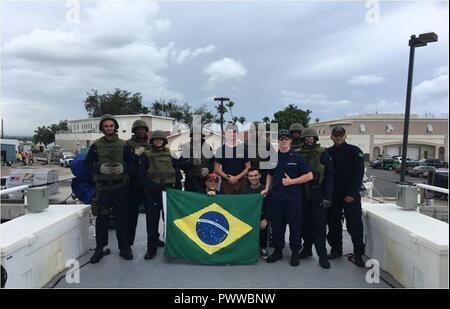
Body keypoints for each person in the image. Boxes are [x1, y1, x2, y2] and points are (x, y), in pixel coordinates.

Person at [84, 114, 134, 263]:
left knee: (121, 219)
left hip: (121, 187)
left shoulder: (124, 145)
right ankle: (99, 249)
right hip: (103, 189)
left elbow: (133, 165)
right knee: (102, 219)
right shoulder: (95, 146)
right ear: (102, 128)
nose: (109, 128)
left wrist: (122, 168)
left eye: (111, 126)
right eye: (106, 126)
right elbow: (87, 165)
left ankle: (124, 248)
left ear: (115, 127)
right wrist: (100, 168)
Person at [261, 129, 313, 266]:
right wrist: (267, 188)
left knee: (295, 227)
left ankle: (295, 253)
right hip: (277, 199)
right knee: (277, 227)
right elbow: (270, 174)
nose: (283, 141)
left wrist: (292, 181)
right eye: (281, 139)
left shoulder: (298, 158)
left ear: (290, 141)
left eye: (286, 139)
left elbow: (309, 176)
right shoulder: (274, 157)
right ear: (277, 141)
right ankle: (278, 251)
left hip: (293, 200)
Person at [326, 126, 365, 267]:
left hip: (351, 196)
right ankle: (336, 250)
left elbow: (358, 174)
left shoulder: (354, 151)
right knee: (333, 224)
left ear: (345, 136)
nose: (338, 137)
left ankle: (358, 254)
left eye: (340, 135)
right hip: (334, 196)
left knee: (354, 225)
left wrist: (351, 193)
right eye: (335, 135)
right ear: (331, 137)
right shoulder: (327, 153)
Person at [297, 127, 333, 269]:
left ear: (315, 139)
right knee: (303, 224)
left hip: (317, 191)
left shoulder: (323, 153)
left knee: (319, 225)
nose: (308, 140)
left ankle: (322, 255)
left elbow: (329, 176)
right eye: (306, 138)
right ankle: (307, 249)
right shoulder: (298, 153)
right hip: (302, 192)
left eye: (311, 138)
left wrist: (328, 196)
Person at [138, 130, 176, 260]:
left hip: (169, 192)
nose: (158, 141)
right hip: (153, 193)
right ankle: (151, 249)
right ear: (152, 141)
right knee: (152, 221)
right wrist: (154, 186)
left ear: (164, 141)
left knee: (169, 221)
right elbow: (141, 177)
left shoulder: (170, 154)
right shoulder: (146, 155)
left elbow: (176, 171)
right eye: (156, 139)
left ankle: (171, 247)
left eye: (161, 139)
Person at [126, 119, 163, 249]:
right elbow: (126, 166)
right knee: (131, 216)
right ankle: (128, 244)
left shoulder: (151, 145)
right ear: (134, 131)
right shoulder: (128, 145)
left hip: (149, 184)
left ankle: (154, 239)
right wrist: (135, 155)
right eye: (138, 129)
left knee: (152, 217)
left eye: (143, 129)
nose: (141, 131)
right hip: (133, 185)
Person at [214, 123, 251, 194]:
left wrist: (236, 178)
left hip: (241, 183)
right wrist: (228, 177)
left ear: (237, 133)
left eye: (234, 132)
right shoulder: (221, 149)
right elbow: (216, 168)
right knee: (226, 204)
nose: (232, 134)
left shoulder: (244, 149)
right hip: (226, 183)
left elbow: (248, 167)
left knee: (241, 203)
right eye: (229, 132)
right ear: (226, 133)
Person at [242, 168, 270, 260]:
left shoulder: (265, 189)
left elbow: (271, 206)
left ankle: (263, 247)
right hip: (249, 217)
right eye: (251, 176)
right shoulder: (244, 192)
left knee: (263, 225)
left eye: (255, 175)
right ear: (247, 178)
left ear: (260, 176)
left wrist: (266, 219)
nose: (253, 178)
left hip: (262, 216)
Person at [179, 127, 214, 193]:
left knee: (205, 202)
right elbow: (180, 164)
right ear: (191, 136)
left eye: (198, 134)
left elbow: (213, 162)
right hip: (191, 181)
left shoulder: (207, 147)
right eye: (194, 134)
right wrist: (192, 162)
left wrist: (208, 169)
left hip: (205, 181)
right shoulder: (186, 147)